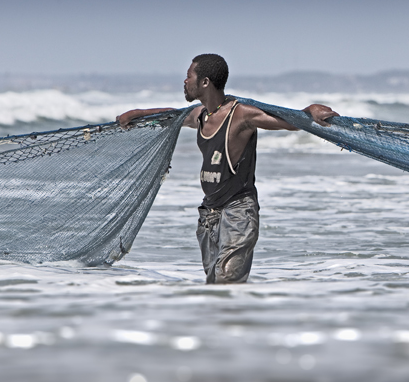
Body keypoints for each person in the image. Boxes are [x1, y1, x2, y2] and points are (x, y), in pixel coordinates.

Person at [117, 54, 338, 284]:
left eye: (188, 76)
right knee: (215, 289)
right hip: (209, 216)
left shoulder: (241, 114)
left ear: (205, 82)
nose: (185, 81)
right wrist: (138, 114)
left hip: (238, 213)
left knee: (227, 287)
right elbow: (173, 115)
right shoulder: (201, 115)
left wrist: (308, 112)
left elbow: (288, 122)